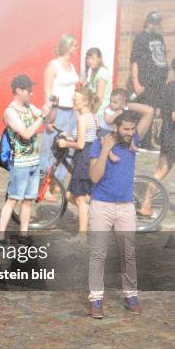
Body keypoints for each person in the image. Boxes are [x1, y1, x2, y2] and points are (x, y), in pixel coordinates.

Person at [87, 105, 154, 319]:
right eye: (125, 129)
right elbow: (94, 178)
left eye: (132, 129)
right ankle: (96, 299)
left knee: (128, 254)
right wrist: (106, 150)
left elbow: (149, 112)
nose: (129, 132)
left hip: (126, 207)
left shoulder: (133, 143)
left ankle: (130, 295)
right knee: (98, 254)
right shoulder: (99, 144)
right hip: (101, 206)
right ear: (116, 127)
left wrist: (125, 105)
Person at [0, 75, 52, 245]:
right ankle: (0, 236)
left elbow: (47, 120)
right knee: (13, 199)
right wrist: (42, 118)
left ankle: (24, 234)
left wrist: (49, 108)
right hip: (20, 163)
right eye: (29, 90)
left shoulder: (29, 107)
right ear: (19, 90)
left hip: (34, 161)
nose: (31, 94)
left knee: (28, 200)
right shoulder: (9, 112)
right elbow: (26, 133)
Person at [56, 87, 99, 235]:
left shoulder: (82, 119)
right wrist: (68, 136)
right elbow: (87, 138)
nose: (73, 100)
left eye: (76, 99)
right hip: (90, 157)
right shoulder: (93, 117)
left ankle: (82, 236)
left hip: (83, 159)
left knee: (80, 199)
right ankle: (90, 213)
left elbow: (81, 144)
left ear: (85, 101)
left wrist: (65, 144)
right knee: (69, 195)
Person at [41, 34, 80, 187]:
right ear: (67, 46)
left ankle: (58, 182)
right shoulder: (53, 65)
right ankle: (44, 181)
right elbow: (47, 91)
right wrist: (49, 116)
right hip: (58, 111)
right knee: (51, 147)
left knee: (68, 145)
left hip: (72, 111)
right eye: (74, 45)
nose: (77, 48)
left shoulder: (71, 66)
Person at [139, 58, 175, 216]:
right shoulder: (173, 88)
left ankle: (145, 205)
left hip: (168, 135)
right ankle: (145, 205)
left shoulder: (168, 87)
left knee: (159, 172)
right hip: (173, 136)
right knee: (161, 172)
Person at [130, 11, 168, 152]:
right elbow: (135, 61)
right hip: (145, 82)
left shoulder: (159, 37)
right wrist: (136, 82)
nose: (159, 25)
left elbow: (162, 58)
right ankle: (139, 142)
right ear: (150, 23)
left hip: (158, 82)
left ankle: (146, 142)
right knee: (145, 111)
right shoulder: (141, 38)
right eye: (157, 22)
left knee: (153, 111)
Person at [84, 48, 112, 125]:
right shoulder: (94, 72)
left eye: (92, 58)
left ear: (99, 59)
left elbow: (99, 97)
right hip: (96, 110)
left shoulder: (102, 73)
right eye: (88, 58)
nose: (89, 61)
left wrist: (92, 114)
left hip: (100, 112)